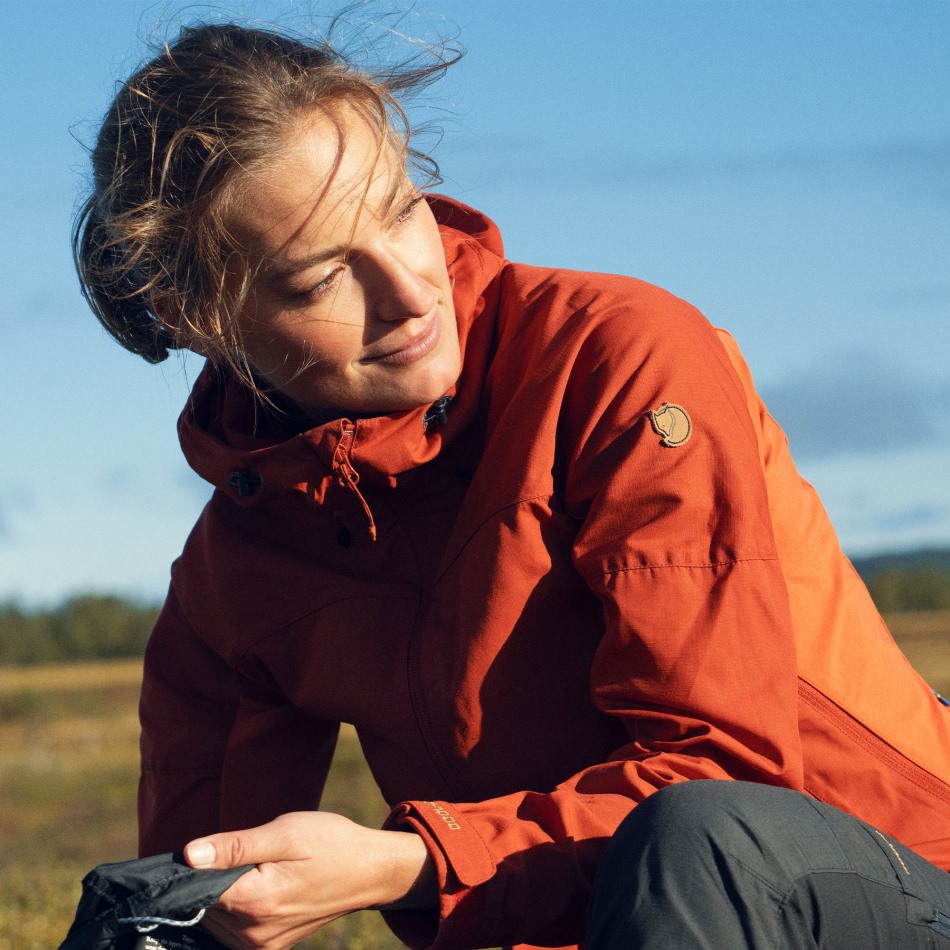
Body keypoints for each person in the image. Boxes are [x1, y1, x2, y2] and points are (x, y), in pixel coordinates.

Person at [73, 19, 950, 950]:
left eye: (399, 209)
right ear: (198, 318)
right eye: (322, 275)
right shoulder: (235, 573)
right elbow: (192, 891)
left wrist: (410, 865)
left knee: (695, 835)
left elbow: (726, 781)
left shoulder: (618, 358)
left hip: (894, 888)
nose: (410, 290)